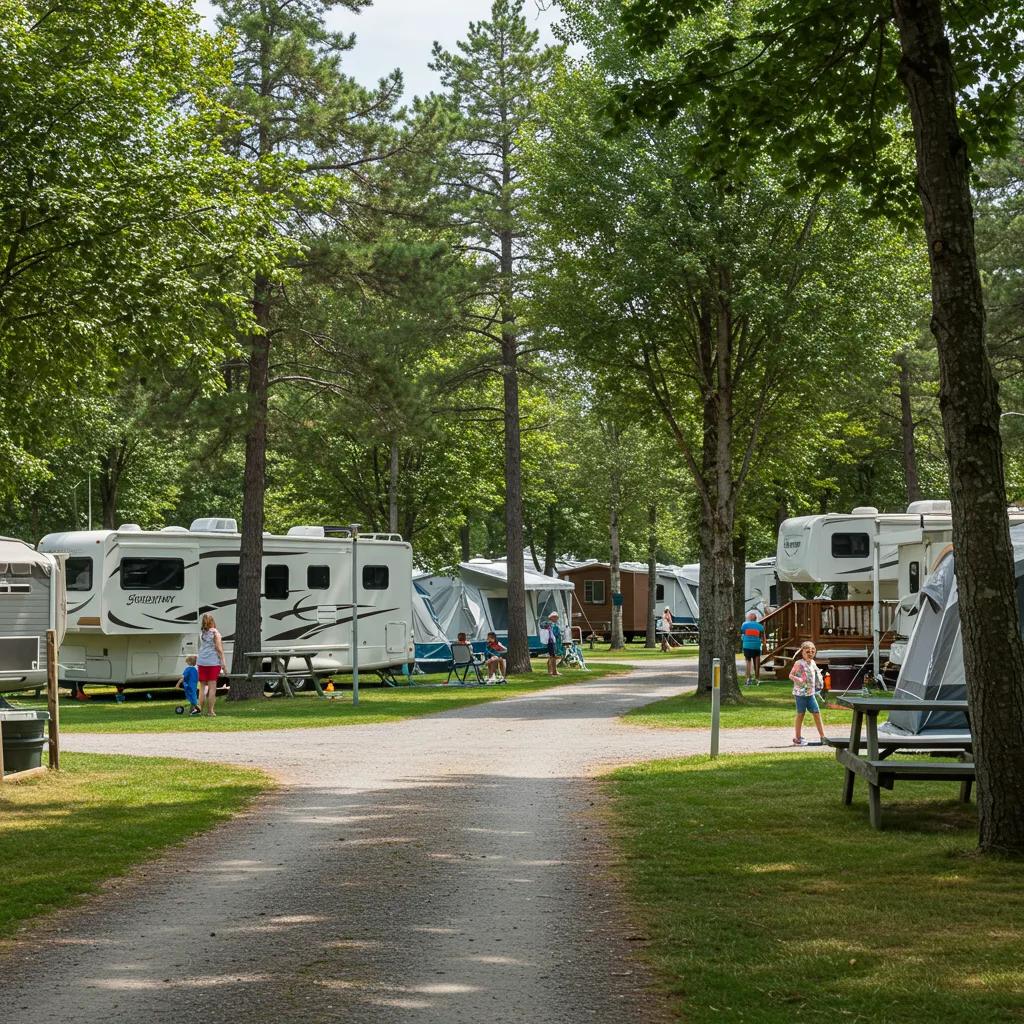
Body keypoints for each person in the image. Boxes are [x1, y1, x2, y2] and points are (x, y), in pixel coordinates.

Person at [788, 641, 828, 745]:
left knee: (816, 713)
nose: (810, 653)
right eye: (808, 652)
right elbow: (790, 675)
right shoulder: (798, 663)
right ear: (802, 652)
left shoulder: (813, 663)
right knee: (800, 714)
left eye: (812, 651)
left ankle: (823, 737)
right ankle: (797, 738)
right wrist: (799, 679)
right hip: (800, 694)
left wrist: (820, 683)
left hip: (810, 694)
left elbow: (815, 675)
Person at [197, 613, 227, 717]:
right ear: (212, 621)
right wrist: (223, 662)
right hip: (213, 662)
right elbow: (219, 649)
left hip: (201, 662)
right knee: (212, 687)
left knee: (202, 688)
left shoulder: (201, 633)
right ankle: (210, 711)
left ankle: (200, 710)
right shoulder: (215, 633)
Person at [740, 610, 765, 684]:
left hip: (747, 645)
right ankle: (757, 678)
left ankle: (748, 678)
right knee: (757, 661)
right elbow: (762, 636)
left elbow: (742, 633)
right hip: (756, 645)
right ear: (755, 618)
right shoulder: (760, 626)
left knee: (748, 661)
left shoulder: (744, 625)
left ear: (749, 618)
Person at [544, 612, 562, 676]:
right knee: (554, 656)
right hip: (552, 642)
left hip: (551, 642)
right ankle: (554, 671)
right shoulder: (551, 625)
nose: (556, 618)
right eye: (554, 617)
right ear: (551, 618)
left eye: (556, 617)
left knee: (552, 656)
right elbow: (555, 634)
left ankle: (550, 671)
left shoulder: (551, 624)